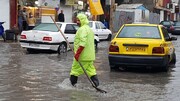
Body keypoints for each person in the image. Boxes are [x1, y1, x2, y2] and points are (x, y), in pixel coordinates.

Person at [69, 13, 99, 87]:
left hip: (82, 56)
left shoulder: (82, 29)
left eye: (78, 20)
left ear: (82, 20)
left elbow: (83, 42)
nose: (77, 22)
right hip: (90, 56)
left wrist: (78, 54)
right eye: (77, 20)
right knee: (90, 70)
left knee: (74, 70)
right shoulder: (89, 29)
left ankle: (73, 86)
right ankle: (96, 84)